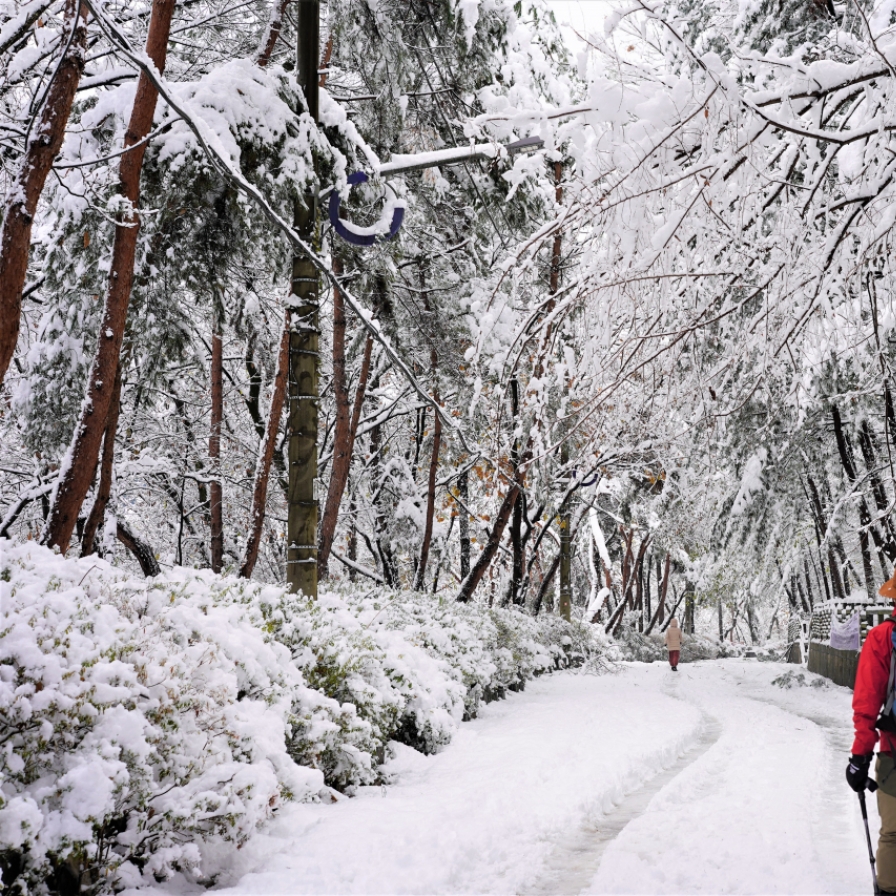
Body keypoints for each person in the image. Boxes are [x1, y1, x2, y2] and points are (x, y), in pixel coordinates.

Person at [848, 569, 896, 894]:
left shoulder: (882, 638)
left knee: (893, 834)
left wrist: (860, 755)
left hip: (894, 752)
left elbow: (867, 702)